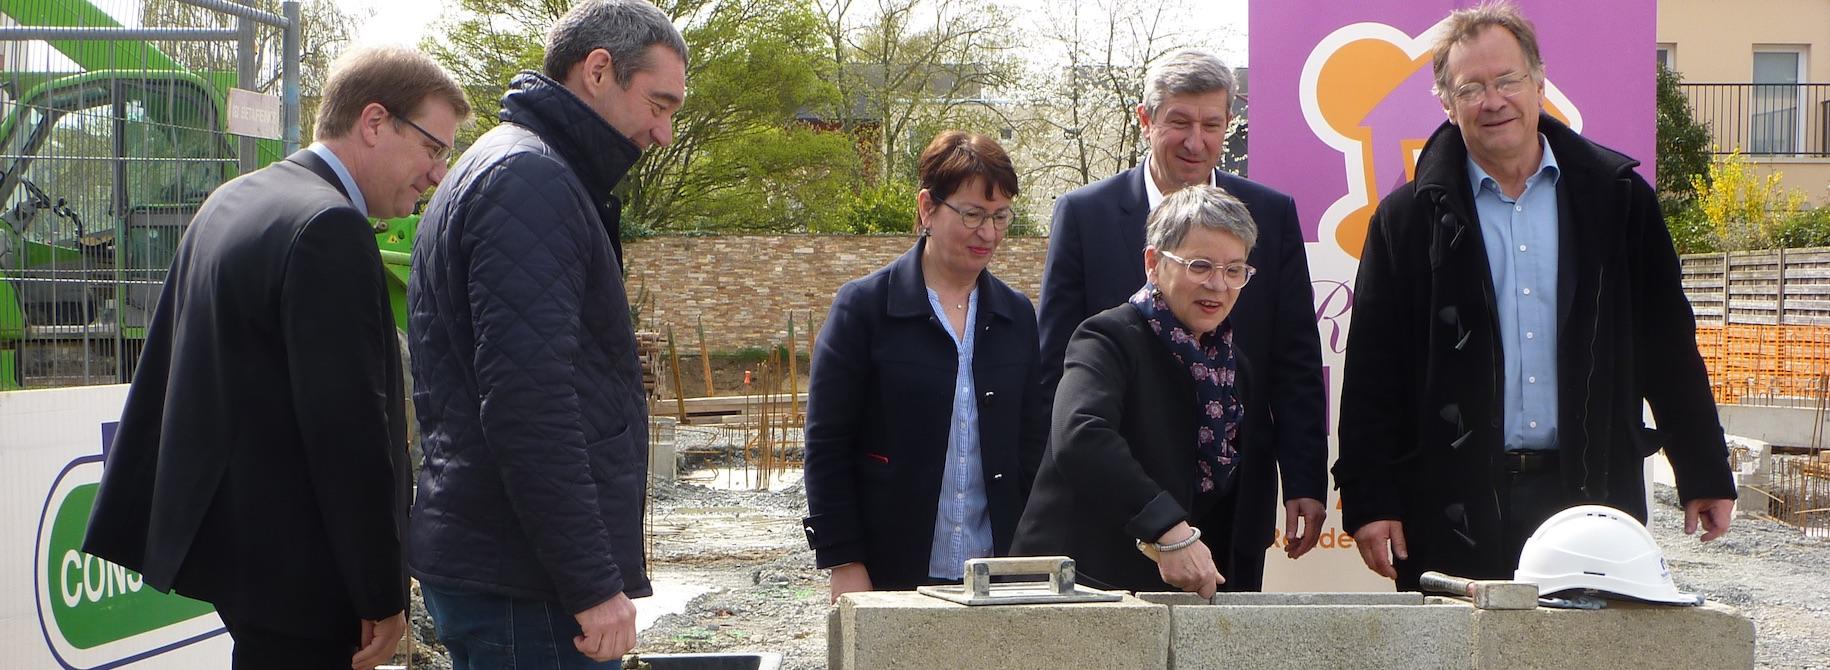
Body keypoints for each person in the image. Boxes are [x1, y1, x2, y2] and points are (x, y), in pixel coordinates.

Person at [82, 45, 468, 669]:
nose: (437, 173)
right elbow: (349, 433)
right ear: (374, 123)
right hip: (303, 578)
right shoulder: (328, 227)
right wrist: (379, 587)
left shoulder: (234, 200)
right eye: (433, 147)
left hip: (239, 564)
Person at [1333, 1, 1737, 591]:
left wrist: (1703, 468)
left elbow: (1668, 348)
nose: (1492, 101)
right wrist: (1370, 498)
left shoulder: (1619, 202)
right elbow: (1373, 371)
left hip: (1590, 498)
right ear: (1446, 103)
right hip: (1451, 504)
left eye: (1507, 80)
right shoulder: (1407, 220)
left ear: (1539, 83)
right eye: (1470, 87)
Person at [405, 0, 686, 666]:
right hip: (526, 585)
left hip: (508, 568)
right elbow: (529, 401)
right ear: (598, 70)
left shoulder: (514, 166)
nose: (664, 132)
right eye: (659, 104)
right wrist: (591, 583)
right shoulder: (531, 181)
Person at [1035, 48, 1328, 590]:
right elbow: (1058, 374)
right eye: (1180, 122)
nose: (1196, 141)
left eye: (1212, 124)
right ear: (1146, 119)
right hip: (1120, 512)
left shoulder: (1272, 214)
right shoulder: (1084, 215)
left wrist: (1304, 477)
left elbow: (1295, 358)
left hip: (1234, 502)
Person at [801, 131, 1048, 600]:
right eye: (972, 214)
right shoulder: (866, 308)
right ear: (927, 209)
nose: (988, 233)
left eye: (1000, 217)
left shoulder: (1015, 316)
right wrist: (843, 559)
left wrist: (1033, 554)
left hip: (996, 571)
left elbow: (1031, 448)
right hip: (890, 564)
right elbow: (827, 444)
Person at [1014, 185, 1261, 597]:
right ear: (1153, 262)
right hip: (1078, 588)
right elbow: (1080, 435)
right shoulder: (1107, 337)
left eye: (1235, 270)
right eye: (1200, 266)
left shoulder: (1235, 367)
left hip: (1179, 595)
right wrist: (1167, 528)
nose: (1219, 285)